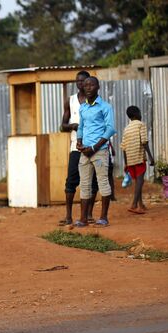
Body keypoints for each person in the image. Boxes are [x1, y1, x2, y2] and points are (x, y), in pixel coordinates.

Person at [74, 76, 116, 227]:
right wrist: (79, 142)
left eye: (92, 85)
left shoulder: (105, 107)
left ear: (98, 87)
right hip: (84, 152)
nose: (88, 87)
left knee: (103, 183)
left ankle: (103, 217)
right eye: (86, 85)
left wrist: (94, 147)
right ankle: (83, 218)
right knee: (84, 185)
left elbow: (110, 129)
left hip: (99, 152)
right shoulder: (83, 107)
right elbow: (81, 127)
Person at [59, 70, 99, 225]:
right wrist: (73, 126)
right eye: (77, 81)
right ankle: (68, 216)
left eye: (83, 81)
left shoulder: (96, 102)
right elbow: (62, 126)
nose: (80, 84)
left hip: (94, 147)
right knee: (71, 181)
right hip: (76, 147)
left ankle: (88, 214)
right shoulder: (70, 101)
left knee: (93, 182)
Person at [121, 106, 155, 214]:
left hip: (130, 159)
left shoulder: (126, 128)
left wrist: (126, 163)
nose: (141, 115)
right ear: (136, 114)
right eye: (140, 112)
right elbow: (144, 141)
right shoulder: (141, 125)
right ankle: (134, 205)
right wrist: (150, 156)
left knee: (138, 182)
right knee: (140, 181)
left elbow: (124, 147)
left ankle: (141, 204)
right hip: (139, 157)